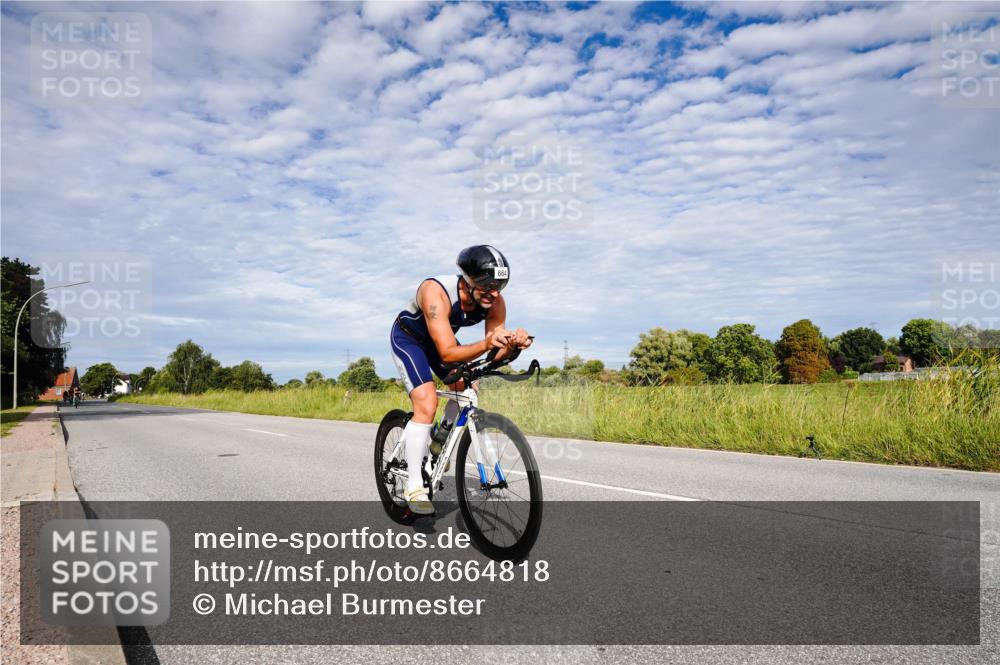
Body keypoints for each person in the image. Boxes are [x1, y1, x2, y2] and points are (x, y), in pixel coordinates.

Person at [390, 245, 532, 515]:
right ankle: (414, 486)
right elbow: (447, 352)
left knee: (467, 387)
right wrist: (487, 342)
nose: (494, 293)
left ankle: (439, 439)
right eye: (488, 285)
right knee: (427, 402)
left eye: (500, 286)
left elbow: (494, 353)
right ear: (468, 280)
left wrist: (512, 346)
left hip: (440, 341)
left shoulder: (495, 302)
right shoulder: (435, 292)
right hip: (410, 339)